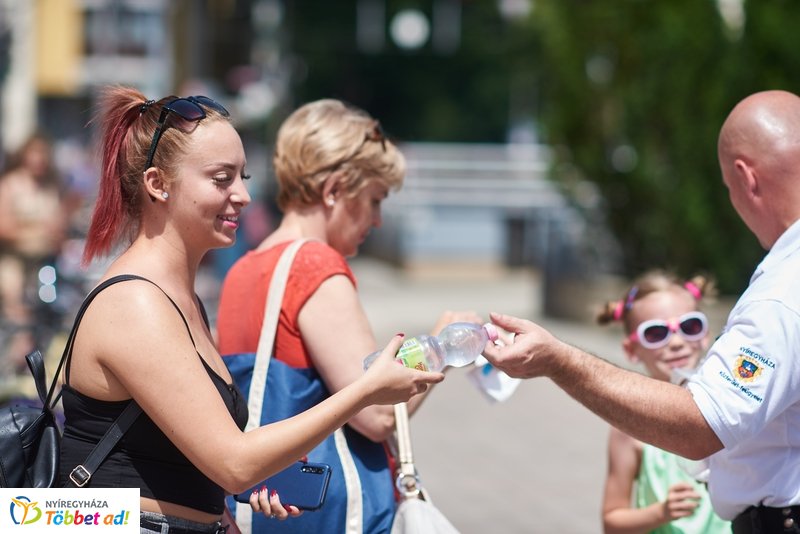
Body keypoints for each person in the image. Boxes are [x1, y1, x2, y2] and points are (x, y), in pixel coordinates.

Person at [56, 86, 443, 534]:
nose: (241, 195)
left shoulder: (181, 298)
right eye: (222, 179)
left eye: (243, 178)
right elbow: (234, 463)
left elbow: (204, 456)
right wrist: (366, 390)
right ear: (158, 184)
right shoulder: (135, 303)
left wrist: (241, 488)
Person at [483, 89, 800, 534]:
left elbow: (702, 425)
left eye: (729, 190)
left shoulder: (783, 292)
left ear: (747, 179)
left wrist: (558, 360)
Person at [216, 98, 482, 534]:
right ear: (335, 189)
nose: (377, 220)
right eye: (375, 199)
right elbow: (375, 412)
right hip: (328, 514)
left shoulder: (245, 266)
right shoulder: (315, 266)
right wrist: (441, 344)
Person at [597, 270, 729, 533]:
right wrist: (661, 512)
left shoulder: (730, 404)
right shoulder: (629, 424)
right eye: (657, 333)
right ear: (631, 350)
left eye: (689, 326)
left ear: (706, 334)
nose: (677, 342)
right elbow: (612, 521)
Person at [0, 132, 73, 371]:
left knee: (50, 311)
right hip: (16, 261)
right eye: (34, 154)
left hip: (45, 262)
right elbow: (4, 227)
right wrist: (37, 231)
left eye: (42, 154)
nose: (39, 160)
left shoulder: (50, 186)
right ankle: (16, 362)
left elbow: (60, 225)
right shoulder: (11, 184)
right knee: (16, 306)